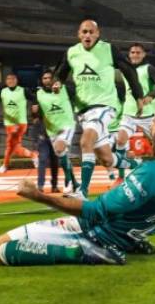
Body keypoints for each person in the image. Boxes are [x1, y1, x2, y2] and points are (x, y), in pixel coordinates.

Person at [0, 101, 155, 266]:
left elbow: (95, 212)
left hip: (94, 235)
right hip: (124, 237)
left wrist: (37, 195)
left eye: (154, 123)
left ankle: (80, 253)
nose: (150, 129)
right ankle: (132, 243)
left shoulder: (153, 172)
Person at [52, 20, 144, 198]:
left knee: (86, 142)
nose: (87, 35)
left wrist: (138, 96)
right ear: (79, 34)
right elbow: (61, 71)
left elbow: (129, 71)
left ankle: (82, 192)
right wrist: (58, 82)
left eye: (91, 32)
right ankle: (138, 166)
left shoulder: (108, 49)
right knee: (106, 159)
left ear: (97, 33)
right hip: (83, 110)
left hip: (104, 106)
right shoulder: (72, 52)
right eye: (84, 32)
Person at [114, 43, 155, 184]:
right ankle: (121, 176)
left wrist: (151, 96)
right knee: (120, 140)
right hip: (128, 113)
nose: (135, 55)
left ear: (143, 54)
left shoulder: (148, 68)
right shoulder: (124, 69)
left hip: (148, 116)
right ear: (129, 54)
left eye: (138, 52)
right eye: (133, 52)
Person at [32, 69, 79, 194]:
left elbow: (76, 93)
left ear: (54, 79)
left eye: (49, 78)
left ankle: (68, 181)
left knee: (59, 150)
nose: (47, 80)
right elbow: (36, 114)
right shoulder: (38, 94)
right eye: (44, 78)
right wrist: (35, 113)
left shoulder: (64, 88)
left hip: (67, 126)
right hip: (52, 130)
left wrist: (63, 86)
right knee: (62, 155)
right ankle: (75, 183)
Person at [0, 73, 38, 173]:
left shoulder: (23, 90)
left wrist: (35, 106)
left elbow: (35, 98)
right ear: (6, 81)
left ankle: (5, 166)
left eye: (13, 79)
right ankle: (33, 155)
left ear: (16, 80)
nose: (10, 80)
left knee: (10, 144)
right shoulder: (3, 92)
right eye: (8, 79)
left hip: (20, 123)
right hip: (8, 124)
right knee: (15, 148)